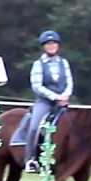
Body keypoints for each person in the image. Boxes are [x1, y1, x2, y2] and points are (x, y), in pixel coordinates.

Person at [22, 30, 73, 173]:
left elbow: (69, 82)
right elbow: (37, 86)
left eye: (53, 43)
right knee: (34, 126)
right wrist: (55, 97)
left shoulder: (64, 63)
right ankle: (31, 159)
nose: (51, 46)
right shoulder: (38, 64)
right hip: (45, 102)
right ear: (44, 47)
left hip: (63, 101)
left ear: (58, 45)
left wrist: (65, 95)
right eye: (48, 44)